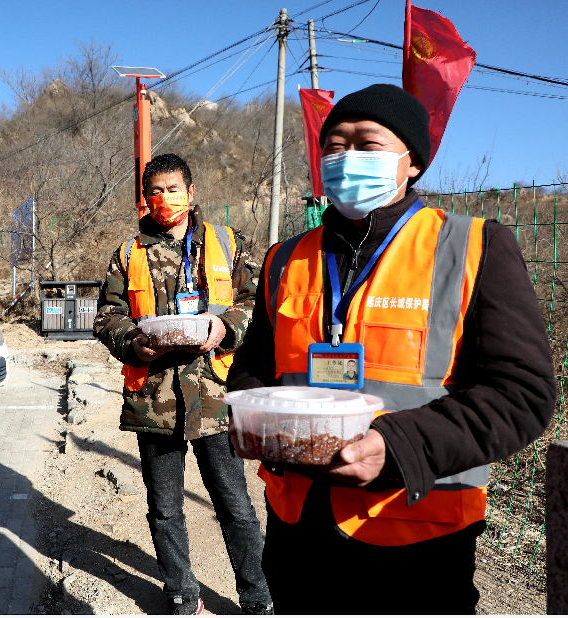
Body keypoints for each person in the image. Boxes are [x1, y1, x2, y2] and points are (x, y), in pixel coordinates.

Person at [227, 84, 556, 614]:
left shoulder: (475, 246)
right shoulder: (283, 259)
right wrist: (254, 416)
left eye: (368, 144)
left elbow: (523, 393)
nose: (346, 157)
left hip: (416, 536)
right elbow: (254, 367)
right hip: (297, 526)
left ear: (412, 164)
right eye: (333, 145)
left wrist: (397, 446)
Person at [94, 153, 272, 615]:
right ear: (145, 198)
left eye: (172, 189)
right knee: (165, 507)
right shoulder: (128, 253)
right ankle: (181, 593)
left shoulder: (227, 242)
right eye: (154, 191)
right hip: (154, 400)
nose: (163, 199)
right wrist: (134, 343)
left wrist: (225, 327)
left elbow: (257, 301)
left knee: (235, 504)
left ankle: (258, 598)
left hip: (215, 396)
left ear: (191, 194)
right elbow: (107, 317)